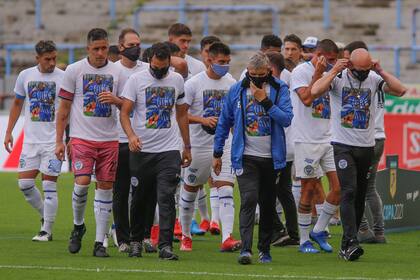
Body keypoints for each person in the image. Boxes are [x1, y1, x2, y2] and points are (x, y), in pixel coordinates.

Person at [311, 48, 407, 261]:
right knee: (349, 191)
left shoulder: (373, 78)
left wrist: (380, 70)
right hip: (343, 145)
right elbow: (315, 91)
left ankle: (350, 241)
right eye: (359, 70)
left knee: (360, 195)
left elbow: (400, 90)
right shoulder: (338, 77)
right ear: (349, 65)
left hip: (366, 146)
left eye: (367, 69)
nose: (363, 74)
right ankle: (349, 242)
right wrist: (333, 69)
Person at [213, 52, 293, 264]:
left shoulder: (279, 89)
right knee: (249, 199)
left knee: (267, 205)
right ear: (247, 72)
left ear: (268, 71)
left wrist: (265, 102)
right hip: (245, 156)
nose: (255, 77)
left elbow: (286, 119)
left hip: (272, 158)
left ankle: (264, 250)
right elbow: (224, 121)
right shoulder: (237, 89)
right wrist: (217, 152)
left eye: (260, 74)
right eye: (252, 74)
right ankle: (245, 250)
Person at [120, 42, 192, 261]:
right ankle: (135, 241)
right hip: (142, 149)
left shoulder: (177, 80)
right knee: (140, 198)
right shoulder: (136, 80)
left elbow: (181, 115)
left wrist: (186, 146)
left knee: (167, 197)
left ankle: (165, 246)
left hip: (168, 149)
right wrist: (131, 136)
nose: (159, 71)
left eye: (163, 68)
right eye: (156, 67)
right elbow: (124, 113)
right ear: (150, 61)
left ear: (169, 63)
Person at [56, 28, 122, 258]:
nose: (101, 52)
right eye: (96, 49)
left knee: (105, 187)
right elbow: (63, 109)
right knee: (82, 182)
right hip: (81, 138)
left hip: (109, 140)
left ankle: (99, 243)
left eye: (104, 48)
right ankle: (78, 226)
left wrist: (117, 101)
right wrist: (59, 141)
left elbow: (128, 106)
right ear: (88, 49)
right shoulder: (74, 70)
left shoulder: (118, 72)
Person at [180, 42, 241, 252]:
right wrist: (202, 120)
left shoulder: (232, 83)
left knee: (225, 188)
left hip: (223, 145)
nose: (225, 66)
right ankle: (185, 235)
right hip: (198, 145)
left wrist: (236, 140)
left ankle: (227, 237)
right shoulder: (193, 84)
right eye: (221, 62)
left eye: (227, 62)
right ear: (209, 60)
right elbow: (180, 116)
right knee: (190, 190)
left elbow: (234, 117)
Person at [4, 40, 64, 242]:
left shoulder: (63, 78)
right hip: (30, 141)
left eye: (54, 58)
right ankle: (44, 216)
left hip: (53, 141)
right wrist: (9, 132)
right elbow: (17, 104)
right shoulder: (25, 75)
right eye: (47, 59)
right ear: (37, 58)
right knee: (25, 184)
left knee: (49, 186)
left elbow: (68, 110)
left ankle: (47, 230)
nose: (52, 62)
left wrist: (66, 139)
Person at [290, 39, 341, 254]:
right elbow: (307, 99)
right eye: (328, 60)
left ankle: (319, 230)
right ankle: (303, 241)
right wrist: (318, 74)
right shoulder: (301, 71)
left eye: (333, 61)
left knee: (340, 187)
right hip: (306, 139)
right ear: (318, 55)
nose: (330, 64)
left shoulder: (334, 73)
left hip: (329, 138)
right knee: (308, 189)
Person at [343, 41, 387, 244]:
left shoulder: (369, 80)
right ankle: (378, 231)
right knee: (369, 188)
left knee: (356, 189)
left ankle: (361, 229)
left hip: (367, 139)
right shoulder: (376, 80)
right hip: (379, 136)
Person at [111, 28, 150, 253]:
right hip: (118, 138)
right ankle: (123, 238)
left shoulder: (147, 69)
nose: (137, 47)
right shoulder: (112, 71)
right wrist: (121, 102)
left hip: (144, 139)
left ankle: (143, 234)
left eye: (139, 43)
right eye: (133, 44)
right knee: (121, 190)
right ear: (121, 46)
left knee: (144, 190)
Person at [265, 51, 300, 247]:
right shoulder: (283, 83)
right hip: (285, 146)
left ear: (271, 68)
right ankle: (292, 233)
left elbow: (283, 118)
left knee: (266, 191)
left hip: (279, 148)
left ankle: (279, 230)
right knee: (283, 191)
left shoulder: (278, 88)